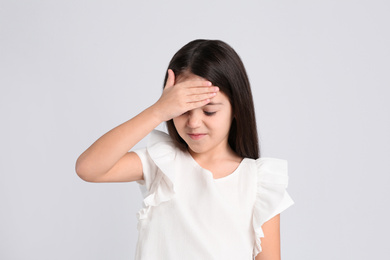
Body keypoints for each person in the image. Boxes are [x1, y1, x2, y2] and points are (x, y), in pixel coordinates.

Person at [75, 39, 294, 260]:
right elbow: (88, 168)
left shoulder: (258, 183)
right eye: (182, 110)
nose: (194, 122)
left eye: (209, 111)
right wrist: (157, 111)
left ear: (236, 108)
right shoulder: (162, 163)